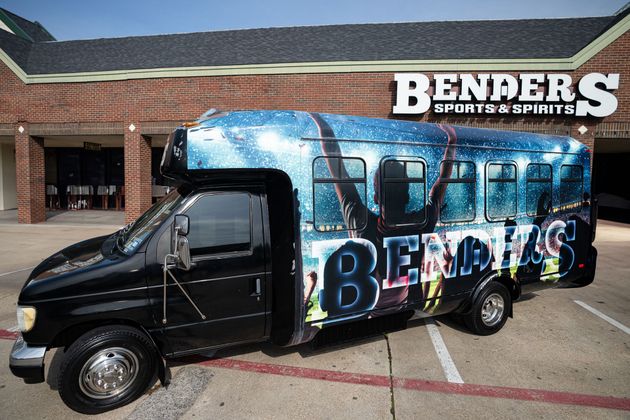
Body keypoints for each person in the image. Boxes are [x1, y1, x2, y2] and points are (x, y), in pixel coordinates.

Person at [308, 113, 458, 312]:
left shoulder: (361, 222)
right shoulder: (421, 223)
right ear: (407, 195)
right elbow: (441, 184)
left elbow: (338, 167)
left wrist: (320, 122)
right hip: (402, 306)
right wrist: (452, 141)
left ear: (376, 198)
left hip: (367, 310)